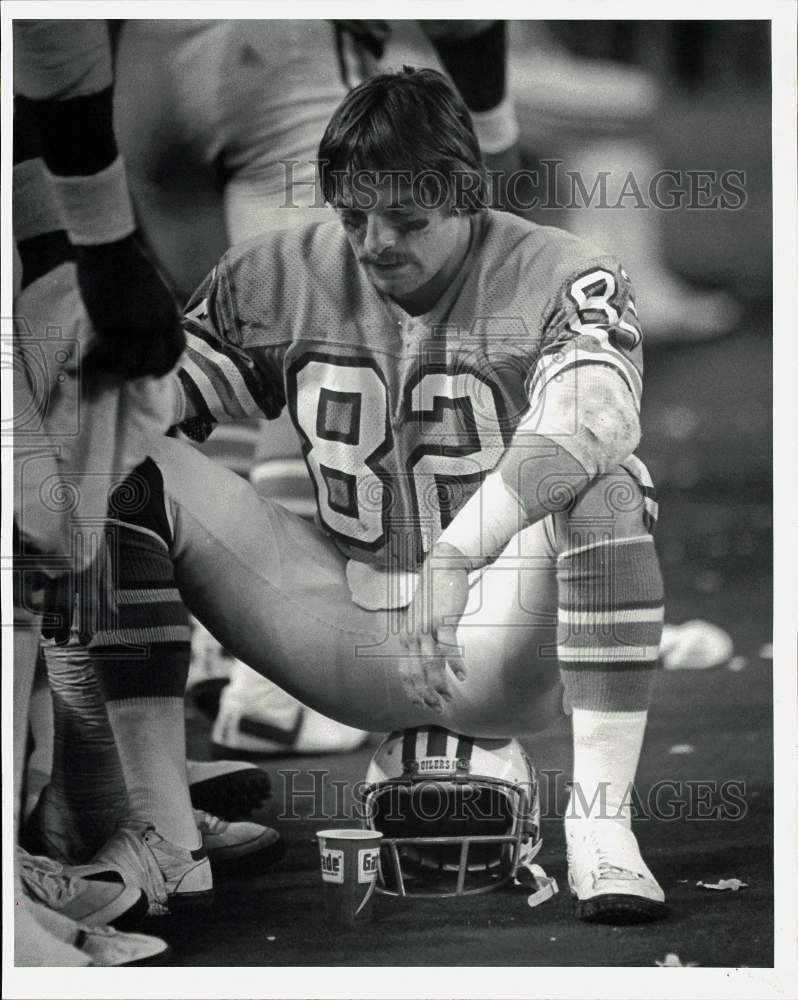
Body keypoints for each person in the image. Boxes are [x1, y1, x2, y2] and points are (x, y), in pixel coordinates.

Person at [74, 67, 666, 922]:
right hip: (341, 623)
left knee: (608, 486)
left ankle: (603, 830)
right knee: (116, 465)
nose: (377, 241)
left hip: (495, 634)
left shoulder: (559, 271)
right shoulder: (282, 273)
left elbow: (595, 419)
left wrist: (461, 551)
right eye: (354, 216)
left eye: (407, 218)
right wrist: (90, 387)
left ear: (467, 196)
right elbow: (161, 410)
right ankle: (165, 829)